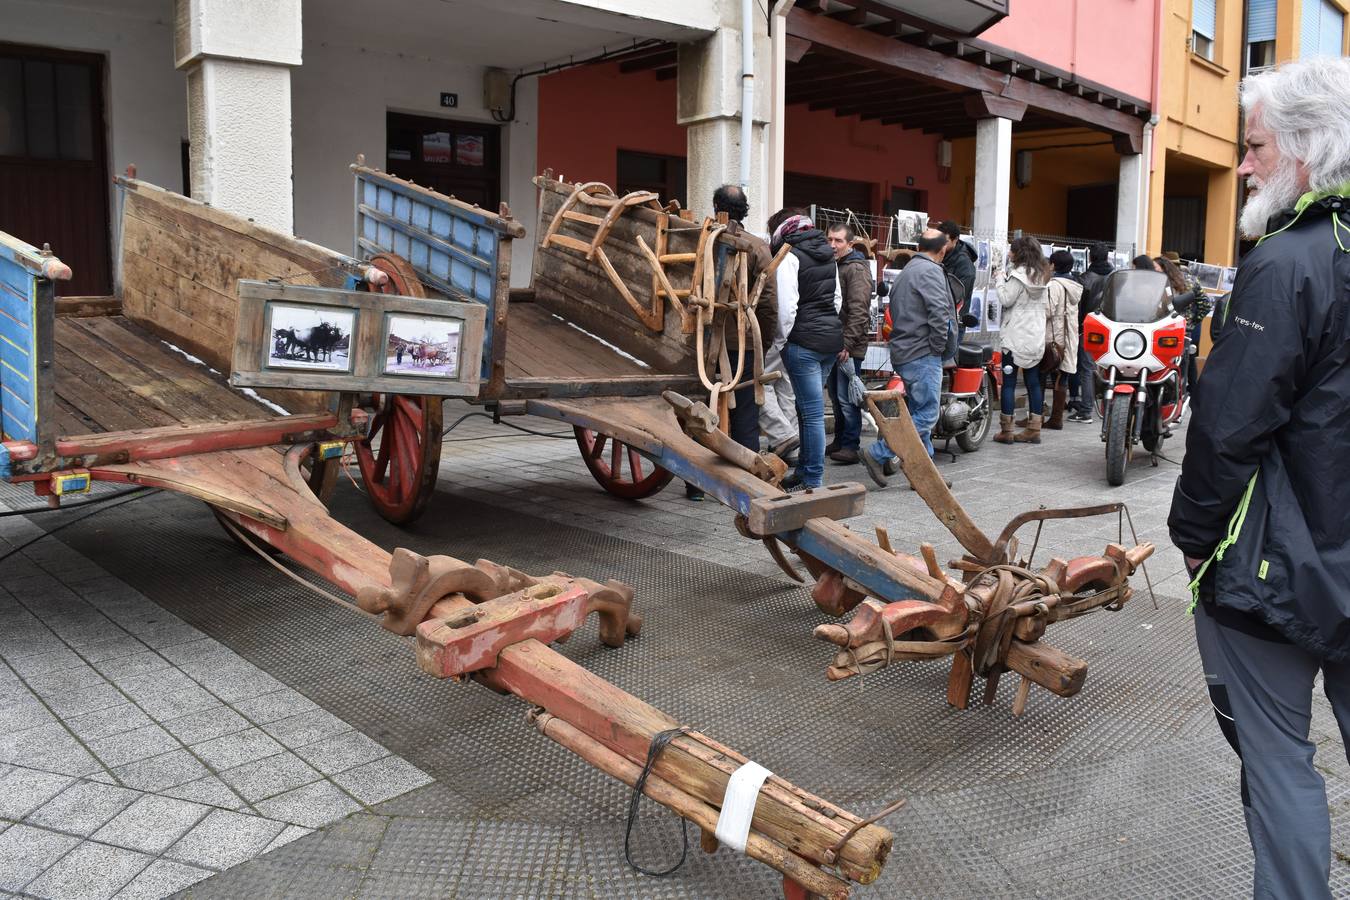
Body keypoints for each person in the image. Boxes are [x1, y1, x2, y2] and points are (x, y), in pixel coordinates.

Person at [1168, 56, 1350, 900]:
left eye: (1253, 147)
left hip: (1276, 576)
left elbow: (1226, 429)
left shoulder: (1289, 261)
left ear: (1305, 152)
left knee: (1279, 767)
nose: (1242, 165)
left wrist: (1194, 541)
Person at [686, 184, 782, 500]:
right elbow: (768, 304)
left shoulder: (698, 239)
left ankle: (697, 483)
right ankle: (746, 485)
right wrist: (762, 342)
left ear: (716, 206)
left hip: (702, 342)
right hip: (742, 344)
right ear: (746, 210)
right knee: (744, 415)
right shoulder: (758, 247)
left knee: (700, 409)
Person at [861, 227, 953, 489]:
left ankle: (925, 476)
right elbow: (938, 314)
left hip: (906, 350)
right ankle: (877, 453)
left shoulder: (909, 270)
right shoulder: (930, 271)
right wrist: (937, 347)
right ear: (943, 248)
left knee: (917, 414)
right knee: (926, 415)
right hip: (922, 352)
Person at [768, 208, 844, 491]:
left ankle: (812, 479)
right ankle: (803, 471)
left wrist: (782, 341)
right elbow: (836, 300)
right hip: (828, 342)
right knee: (804, 409)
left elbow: (786, 308)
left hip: (803, 342)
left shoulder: (789, 256)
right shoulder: (828, 254)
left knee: (811, 414)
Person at [992, 236, 1051, 445]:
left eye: (1011, 250)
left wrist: (1000, 278)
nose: (1009, 254)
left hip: (1015, 337)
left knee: (1008, 384)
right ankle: (1034, 429)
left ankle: (1006, 430)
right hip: (1034, 336)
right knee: (1033, 382)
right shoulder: (1042, 276)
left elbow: (1006, 299)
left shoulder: (1017, 277)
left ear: (1019, 254)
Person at [824, 224, 873, 465]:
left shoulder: (855, 268)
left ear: (850, 244)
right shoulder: (837, 265)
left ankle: (851, 446)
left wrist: (847, 344)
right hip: (836, 342)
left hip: (849, 345)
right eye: (830, 239)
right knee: (835, 395)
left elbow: (859, 310)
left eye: (838, 241)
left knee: (847, 397)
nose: (832, 245)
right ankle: (841, 440)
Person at [1068, 243, 1114, 423]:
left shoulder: (1085, 278)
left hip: (1090, 326)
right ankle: (1109, 404)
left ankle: (1086, 409)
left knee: (1086, 368)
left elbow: (1079, 307)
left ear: (1091, 258)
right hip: (1111, 326)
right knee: (1110, 366)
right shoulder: (1115, 276)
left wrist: (1077, 326)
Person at [1157, 255, 1213, 389]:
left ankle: (1182, 393)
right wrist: (1192, 321)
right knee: (1187, 361)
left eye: (1155, 267)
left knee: (1182, 361)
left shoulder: (1186, 281)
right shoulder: (1157, 282)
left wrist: (1191, 321)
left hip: (1175, 328)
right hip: (1174, 328)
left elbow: (1205, 304)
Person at [1043, 250, 1082, 430]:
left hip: (1055, 337)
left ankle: (1052, 418)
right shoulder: (1074, 285)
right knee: (1062, 377)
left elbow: (1048, 311)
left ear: (1052, 265)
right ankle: (1056, 416)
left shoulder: (1055, 285)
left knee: (1048, 373)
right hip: (1069, 336)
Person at [938, 220, 976, 342]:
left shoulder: (965, 265)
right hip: (938, 319)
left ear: (955, 240)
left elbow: (958, 298)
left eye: (945, 241)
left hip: (953, 323)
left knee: (949, 360)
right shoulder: (942, 255)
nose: (941, 244)